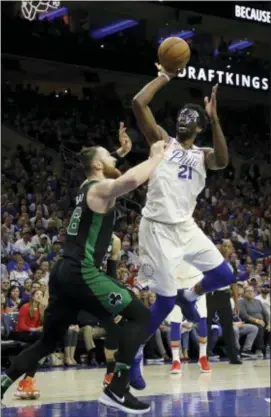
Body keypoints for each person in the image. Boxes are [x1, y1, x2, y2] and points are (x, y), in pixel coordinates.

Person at [1, 140, 166, 414]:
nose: (115, 162)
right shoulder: (100, 189)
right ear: (98, 165)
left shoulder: (85, 187)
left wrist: (119, 154)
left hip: (62, 272)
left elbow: (106, 168)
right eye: (109, 158)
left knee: (48, 342)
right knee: (141, 316)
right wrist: (154, 157)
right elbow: (129, 181)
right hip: (82, 271)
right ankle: (117, 389)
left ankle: (3, 383)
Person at [129, 64, 237, 389]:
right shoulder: (163, 140)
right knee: (163, 302)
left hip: (185, 227)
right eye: (182, 115)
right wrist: (166, 77)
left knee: (224, 275)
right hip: (157, 229)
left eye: (192, 116)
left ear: (200, 127)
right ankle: (133, 356)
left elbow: (223, 160)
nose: (184, 118)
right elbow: (138, 103)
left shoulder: (204, 155)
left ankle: (190, 294)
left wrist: (216, 117)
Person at [168, 262, 211, 374]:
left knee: (202, 318)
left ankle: (202, 357)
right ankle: (175, 360)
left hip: (196, 280)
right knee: (175, 321)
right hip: (176, 282)